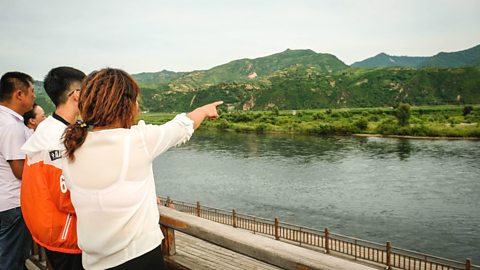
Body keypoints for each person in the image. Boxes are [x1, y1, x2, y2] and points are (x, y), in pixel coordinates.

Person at [62, 68, 222, 270]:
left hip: (93, 262)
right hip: (138, 258)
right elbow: (182, 126)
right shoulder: (137, 141)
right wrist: (204, 111)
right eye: (135, 101)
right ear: (125, 105)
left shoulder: (72, 146)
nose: (137, 107)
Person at [21, 67, 86, 270]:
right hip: (65, 235)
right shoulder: (57, 139)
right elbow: (67, 198)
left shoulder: (48, 127)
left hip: (51, 229)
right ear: (76, 95)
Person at [0, 72, 35, 270]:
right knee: (12, 259)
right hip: (14, 202)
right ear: (19, 94)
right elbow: (20, 171)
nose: (34, 97)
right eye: (31, 92)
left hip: (4, 200)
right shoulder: (12, 127)